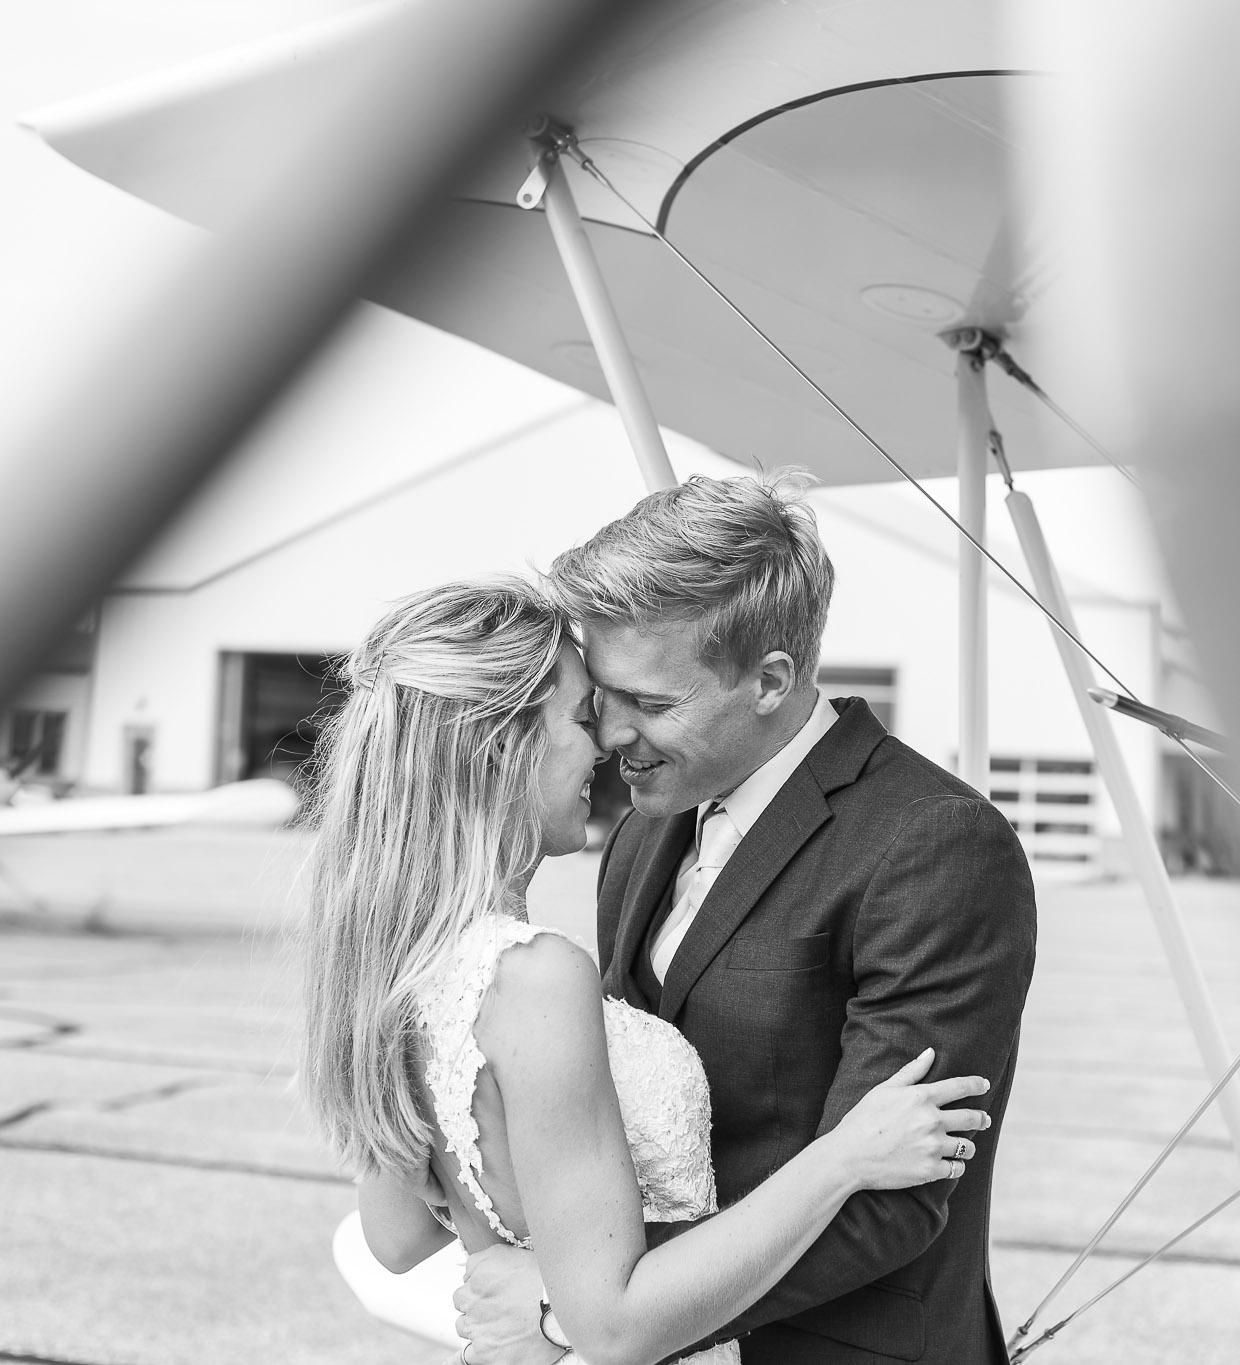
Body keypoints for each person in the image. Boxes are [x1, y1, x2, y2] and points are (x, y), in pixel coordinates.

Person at [300, 578, 993, 1365]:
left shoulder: (402, 964)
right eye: (582, 714)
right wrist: (840, 1160)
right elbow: (614, 1319)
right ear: (502, 748)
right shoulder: (537, 976)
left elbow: (394, 1235)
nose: (604, 741)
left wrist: (547, 1273)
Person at [456, 473, 1038, 1365]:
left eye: (651, 703)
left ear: (769, 680)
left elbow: (896, 1199)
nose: (611, 734)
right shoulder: (645, 834)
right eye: (602, 696)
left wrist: (585, 1303)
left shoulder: (937, 843)